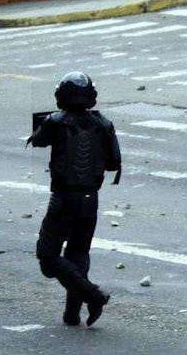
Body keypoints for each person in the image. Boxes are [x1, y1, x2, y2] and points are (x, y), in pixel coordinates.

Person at [27, 72, 121, 326]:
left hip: (63, 199)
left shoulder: (55, 121)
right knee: (78, 253)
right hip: (90, 200)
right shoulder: (104, 124)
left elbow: (36, 140)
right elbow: (113, 163)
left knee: (48, 258)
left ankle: (94, 295)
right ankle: (72, 313)